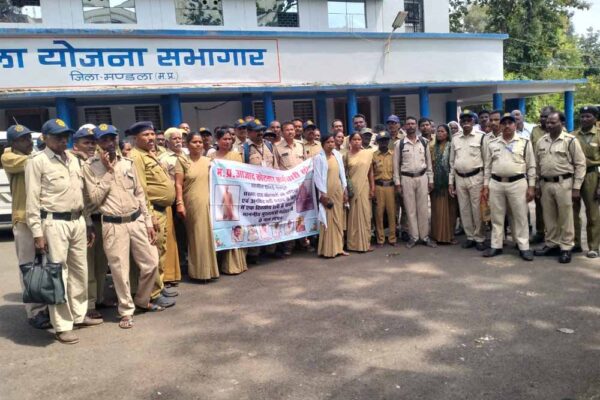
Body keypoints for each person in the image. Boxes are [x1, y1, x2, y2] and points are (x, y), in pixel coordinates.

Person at [25, 119, 100, 344]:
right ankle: (62, 325)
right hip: (54, 223)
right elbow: (32, 200)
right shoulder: (37, 161)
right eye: (57, 136)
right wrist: (37, 233)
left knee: (80, 271)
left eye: (65, 135)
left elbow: (81, 194)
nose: (62, 139)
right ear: (45, 138)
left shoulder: (73, 160)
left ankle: (78, 315)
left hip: (77, 221)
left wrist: (88, 222)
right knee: (58, 275)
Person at [83, 124, 163, 329]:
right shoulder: (90, 167)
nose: (109, 143)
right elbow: (94, 199)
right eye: (104, 140)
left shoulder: (128, 162)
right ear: (98, 143)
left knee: (151, 263)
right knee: (120, 271)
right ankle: (126, 311)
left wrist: (147, 221)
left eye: (112, 138)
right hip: (113, 224)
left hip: (136, 220)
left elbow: (139, 194)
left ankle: (142, 300)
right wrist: (108, 172)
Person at [1, 124, 50, 329]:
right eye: (23, 139)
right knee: (29, 267)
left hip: (43, 217)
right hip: (24, 220)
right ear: (13, 143)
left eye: (29, 138)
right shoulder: (9, 157)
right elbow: (32, 162)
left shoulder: (35, 155)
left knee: (48, 265)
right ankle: (35, 311)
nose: (29, 142)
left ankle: (48, 304)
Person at [127, 121, 177, 308]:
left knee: (161, 250)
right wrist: (150, 215)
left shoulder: (150, 154)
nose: (150, 138)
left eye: (152, 134)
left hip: (161, 209)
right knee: (153, 253)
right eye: (145, 135)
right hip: (152, 211)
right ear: (135, 138)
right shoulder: (136, 156)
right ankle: (153, 293)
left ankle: (159, 285)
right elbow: (141, 189)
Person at [533, 112, 586, 263]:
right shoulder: (541, 141)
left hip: (564, 183)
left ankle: (566, 247)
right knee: (549, 216)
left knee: (565, 217)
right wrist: (537, 185)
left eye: (553, 122)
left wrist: (576, 188)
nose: (549, 125)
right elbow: (537, 165)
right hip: (545, 183)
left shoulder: (570, 140)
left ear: (562, 123)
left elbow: (580, 165)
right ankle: (552, 244)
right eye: (548, 122)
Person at [482, 114, 536, 261]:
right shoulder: (492, 143)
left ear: (515, 125)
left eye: (510, 123)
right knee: (496, 216)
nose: (507, 126)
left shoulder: (524, 142)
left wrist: (531, 187)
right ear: (500, 126)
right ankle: (496, 245)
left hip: (517, 183)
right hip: (496, 183)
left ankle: (523, 246)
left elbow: (531, 166)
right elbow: (487, 166)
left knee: (520, 216)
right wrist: (485, 186)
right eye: (504, 123)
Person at [71, 125, 109, 320]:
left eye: (93, 143)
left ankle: (100, 297)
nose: (91, 146)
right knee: (88, 266)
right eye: (86, 143)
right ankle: (90, 303)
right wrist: (87, 223)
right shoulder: (73, 163)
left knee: (102, 264)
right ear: (76, 145)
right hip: (87, 221)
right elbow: (81, 198)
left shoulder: (98, 162)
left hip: (103, 219)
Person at [175, 132, 219, 281]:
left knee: (208, 235)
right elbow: (178, 184)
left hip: (209, 202)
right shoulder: (182, 160)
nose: (198, 144)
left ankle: (210, 271)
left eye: (200, 142)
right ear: (187, 144)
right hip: (192, 202)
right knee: (197, 235)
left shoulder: (209, 161)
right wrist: (180, 203)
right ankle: (198, 272)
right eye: (194, 142)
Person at [208, 129, 248, 275]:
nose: (227, 142)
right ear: (217, 140)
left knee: (234, 226)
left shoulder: (236, 156)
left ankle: (235, 264)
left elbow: (242, 175)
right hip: (217, 198)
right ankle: (218, 264)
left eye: (229, 139)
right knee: (220, 227)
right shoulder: (211, 157)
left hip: (234, 196)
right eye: (224, 139)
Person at [393, 116, 436, 248]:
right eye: (408, 124)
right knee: (410, 209)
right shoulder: (399, 144)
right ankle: (414, 237)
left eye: (413, 124)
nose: (411, 126)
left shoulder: (423, 142)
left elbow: (429, 163)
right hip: (406, 179)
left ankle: (425, 237)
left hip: (422, 177)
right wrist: (397, 183)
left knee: (423, 209)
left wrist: (430, 179)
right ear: (404, 126)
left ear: (416, 126)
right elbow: (396, 165)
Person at [449, 110, 486, 250]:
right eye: (463, 120)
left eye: (468, 119)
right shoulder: (455, 138)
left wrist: (486, 182)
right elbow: (452, 162)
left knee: (477, 210)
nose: (466, 122)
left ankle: (479, 237)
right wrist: (450, 182)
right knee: (464, 209)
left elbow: (486, 161)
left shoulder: (481, 137)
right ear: (460, 122)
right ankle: (470, 237)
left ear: (473, 121)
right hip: (459, 178)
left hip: (476, 177)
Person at [242, 119, 279, 262]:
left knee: (271, 219)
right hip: (254, 192)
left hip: (270, 191)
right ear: (249, 132)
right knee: (255, 221)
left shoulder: (269, 145)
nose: (260, 133)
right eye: (257, 131)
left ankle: (271, 249)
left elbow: (275, 167)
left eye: (262, 130)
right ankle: (254, 252)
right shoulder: (244, 149)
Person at [159, 127, 187, 286]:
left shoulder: (187, 154)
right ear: (167, 142)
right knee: (174, 235)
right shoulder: (163, 159)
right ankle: (175, 268)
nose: (178, 141)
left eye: (180, 138)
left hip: (189, 198)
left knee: (185, 234)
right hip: (173, 202)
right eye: (174, 139)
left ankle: (186, 262)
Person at [572, 105, 600, 257]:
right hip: (574, 176)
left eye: (588, 116)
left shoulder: (598, 135)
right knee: (572, 211)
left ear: (595, 118)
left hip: (592, 175)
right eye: (582, 116)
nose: (584, 119)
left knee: (592, 213)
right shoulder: (572, 135)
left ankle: (594, 247)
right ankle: (575, 243)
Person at [314, 133, 348, 258]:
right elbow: (317, 177)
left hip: (338, 191)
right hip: (326, 192)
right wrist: (323, 195)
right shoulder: (318, 158)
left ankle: (339, 248)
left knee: (338, 218)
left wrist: (345, 190)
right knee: (328, 219)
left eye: (332, 142)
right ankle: (328, 250)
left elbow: (342, 174)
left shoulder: (338, 155)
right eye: (328, 142)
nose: (330, 144)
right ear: (323, 144)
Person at [530, 106, 557, 244]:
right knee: (539, 206)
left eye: (546, 116)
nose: (543, 119)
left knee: (555, 208)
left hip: (557, 174)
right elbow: (530, 153)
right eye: (542, 116)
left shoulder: (561, 132)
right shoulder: (535, 131)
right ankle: (540, 232)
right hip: (539, 173)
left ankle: (555, 236)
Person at [345, 132, 375, 252]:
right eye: (354, 139)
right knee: (353, 216)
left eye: (359, 139)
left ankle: (366, 243)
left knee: (366, 215)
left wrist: (373, 187)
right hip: (353, 189)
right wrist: (345, 190)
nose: (357, 141)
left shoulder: (367, 154)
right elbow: (344, 174)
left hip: (364, 187)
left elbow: (370, 172)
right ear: (350, 141)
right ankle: (353, 244)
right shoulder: (346, 155)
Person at [431, 125, 458, 244]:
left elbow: (453, 164)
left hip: (449, 183)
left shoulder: (451, 146)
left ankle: (449, 236)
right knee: (437, 210)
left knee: (450, 211)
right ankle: (437, 236)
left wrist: (452, 182)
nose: (439, 133)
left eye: (442, 131)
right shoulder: (433, 147)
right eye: (438, 131)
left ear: (447, 134)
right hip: (436, 184)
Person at [372, 131, 397, 247]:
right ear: (377, 142)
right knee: (379, 214)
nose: (383, 143)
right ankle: (380, 239)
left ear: (388, 141)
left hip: (391, 187)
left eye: (385, 140)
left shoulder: (393, 155)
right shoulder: (373, 156)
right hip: (378, 186)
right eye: (381, 141)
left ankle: (392, 238)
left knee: (392, 213)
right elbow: (371, 173)